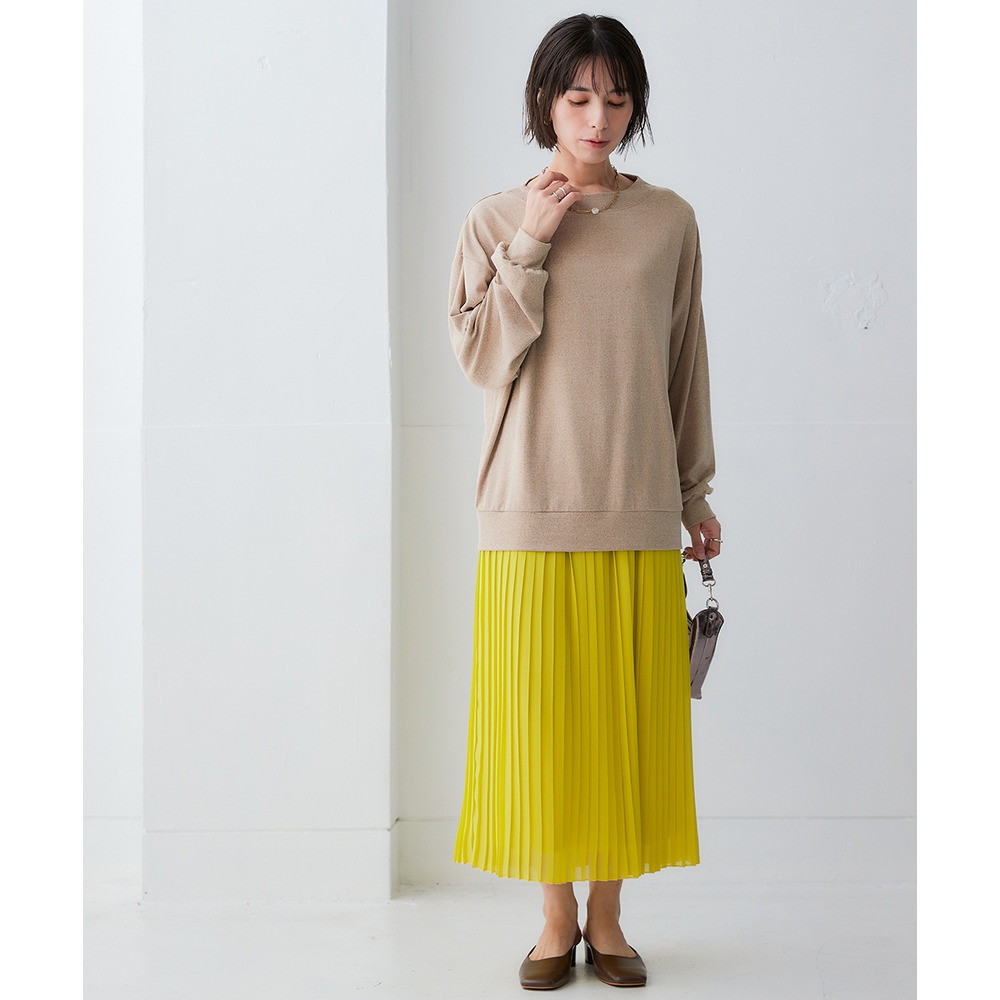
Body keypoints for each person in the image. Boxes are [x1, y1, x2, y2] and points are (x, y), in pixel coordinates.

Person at [448, 13, 722, 991]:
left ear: (634, 104)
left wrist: (694, 492)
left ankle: (606, 918)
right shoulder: (494, 219)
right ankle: (553, 916)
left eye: (615, 97)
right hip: (527, 507)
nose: (598, 117)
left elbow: (683, 365)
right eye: (577, 97)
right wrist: (531, 238)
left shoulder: (669, 221)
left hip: (638, 506)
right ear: (544, 102)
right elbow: (481, 357)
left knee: (624, 727)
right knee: (540, 729)